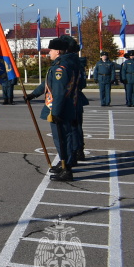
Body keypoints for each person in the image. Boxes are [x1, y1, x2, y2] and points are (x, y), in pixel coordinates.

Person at [26, 36, 81, 181]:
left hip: (60, 109)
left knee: (63, 139)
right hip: (61, 108)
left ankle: (67, 169)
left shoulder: (60, 68)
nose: (49, 52)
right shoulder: (60, 64)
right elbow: (47, 84)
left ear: (58, 51)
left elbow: (59, 92)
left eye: (51, 50)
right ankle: (63, 164)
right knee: (61, 139)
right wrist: (33, 95)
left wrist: (55, 112)